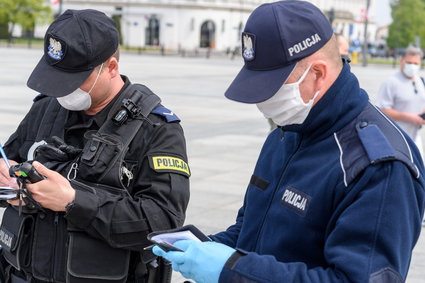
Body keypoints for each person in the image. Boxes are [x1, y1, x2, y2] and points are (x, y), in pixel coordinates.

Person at [153, 1, 425, 283]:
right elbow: (251, 230)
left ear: (317, 74)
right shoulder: (286, 132)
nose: (262, 100)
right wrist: (205, 248)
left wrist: (231, 271)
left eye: (273, 86)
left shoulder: (377, 166)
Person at [0, 9, 190, 283]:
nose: (63, 90)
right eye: (56, 77)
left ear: (111, 67)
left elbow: (164, 222)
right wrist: (8, 183)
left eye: (74, 79)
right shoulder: (46, 109)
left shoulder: (157, 129)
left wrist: (74, 202)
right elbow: (10, 161)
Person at [376, 45, 425, 158]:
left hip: (415, 136)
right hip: (395, 137)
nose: (412, 66)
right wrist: (409, 117)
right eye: (409, 62)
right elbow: (382, 111)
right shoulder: (391, 83)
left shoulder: (421, 81)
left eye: (416, 64)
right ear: (401, 61)